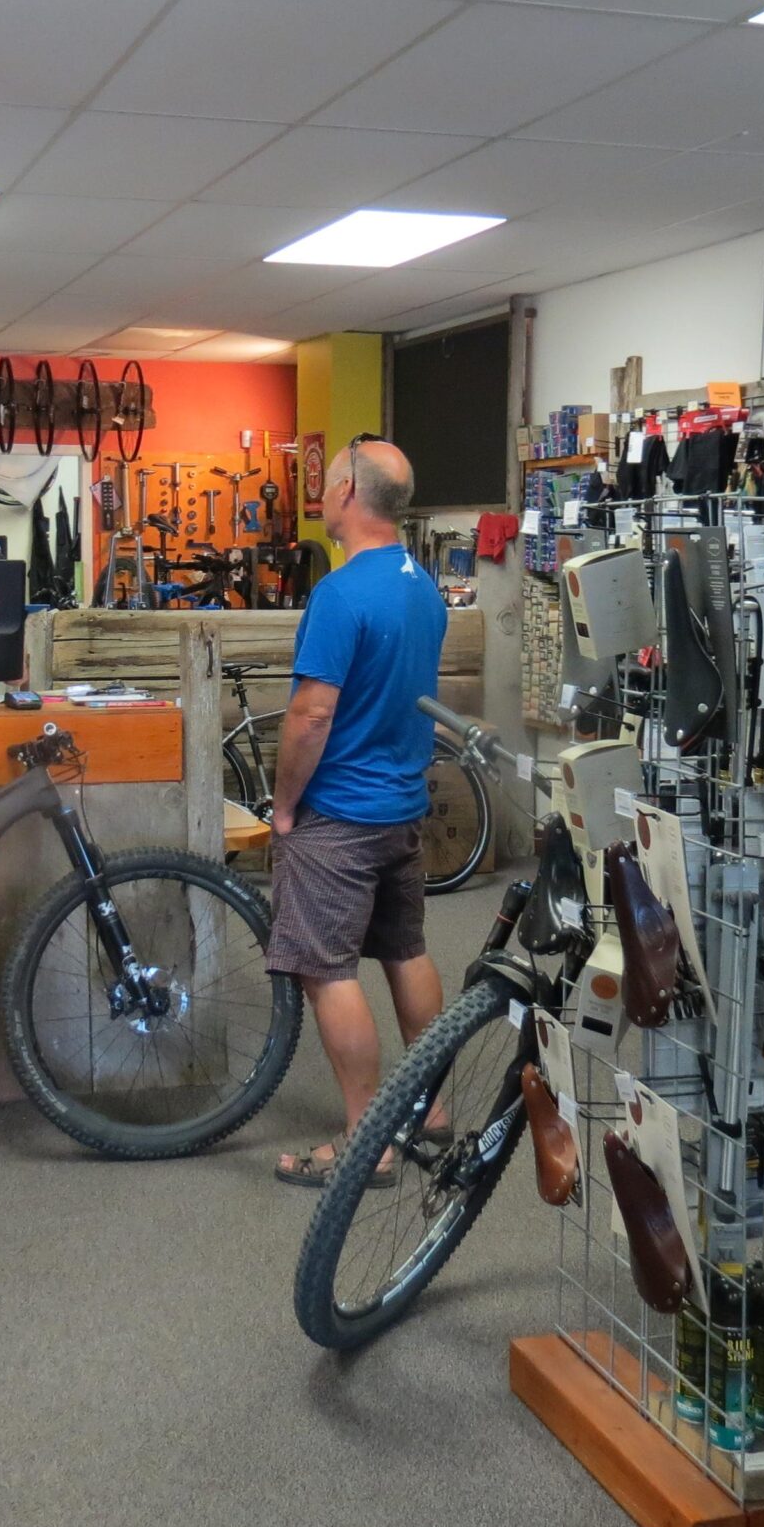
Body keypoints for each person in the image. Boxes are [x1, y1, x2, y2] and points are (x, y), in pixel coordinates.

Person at [267, 436, 451, 1189]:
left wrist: (282, 806)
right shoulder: (422, 585)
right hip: (402, 808)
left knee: (325, 967)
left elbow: (312, 715)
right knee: (404, 950)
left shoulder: (341, 594)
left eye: (327, 476)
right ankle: (431, 1114)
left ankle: (367, 1140)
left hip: (340, 814)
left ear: (347, 492)